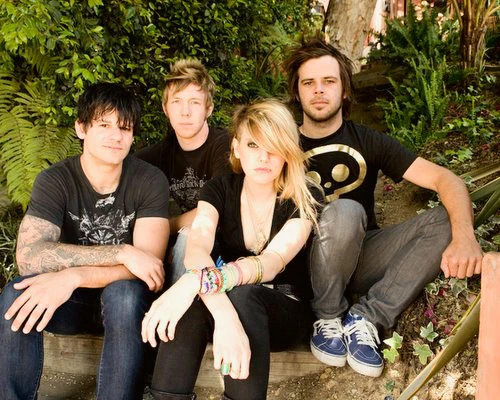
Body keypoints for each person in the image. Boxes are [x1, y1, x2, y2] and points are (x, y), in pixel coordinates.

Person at [283, 37, 483, 378]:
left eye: (329, 81)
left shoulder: (368, 140)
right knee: (344, 211)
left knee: (443, 220)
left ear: (345, 90)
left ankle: (365, 319)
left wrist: (465, 237)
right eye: (308, 83)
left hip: (358, 256)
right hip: (298, 259)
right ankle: (327, 316)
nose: (319, 90)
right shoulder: (280, 142)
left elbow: (446, 179)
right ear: (297, 92)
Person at [141, 99, 321, 400]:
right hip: (228, 300)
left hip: (284, 310)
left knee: (240, 295)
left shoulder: (303, 195)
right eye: (253, 145)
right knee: (194, 302)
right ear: (236, 148)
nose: (263, 157)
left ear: (287, 151)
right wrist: (223, 313)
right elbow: (197, 246)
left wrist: (193, 281)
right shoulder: (219, 188)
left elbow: (272, 262)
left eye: (273, 146)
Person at [0, 82, 170, 400]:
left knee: (124, 294)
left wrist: (74, 275)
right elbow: (29, 256)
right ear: (81, 128)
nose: (115, 136)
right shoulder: (55, 180)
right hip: (70, 303)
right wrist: (121, 252)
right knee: (16, 293)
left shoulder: (149, 180)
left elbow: (149, 269)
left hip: (127, 308)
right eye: (104, 125)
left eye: (124, 128)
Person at [135, 59, 230, 283]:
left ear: (209, 109)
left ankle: (177, 305)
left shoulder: (225, 146)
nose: (185, 112)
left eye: (194, 102)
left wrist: (165, 227)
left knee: (188, 238)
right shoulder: (158, 154)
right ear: (165, 109)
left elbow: (218, 210)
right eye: (177, 102)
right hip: (183, 243)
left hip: (225, 244)